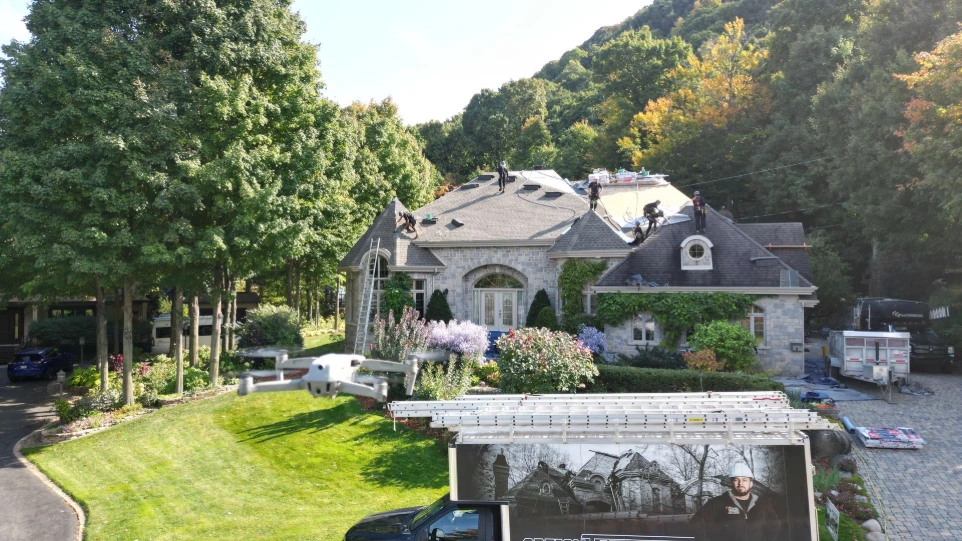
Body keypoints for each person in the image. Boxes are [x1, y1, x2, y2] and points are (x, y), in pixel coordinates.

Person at [689, 463, 781, 541]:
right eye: (736, 480)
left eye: (744, 480)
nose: (740, 483)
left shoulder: (762, 504)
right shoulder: (716, 503)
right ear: (731, 482)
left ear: (751, 483)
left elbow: (775, 525)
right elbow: (695, 525)